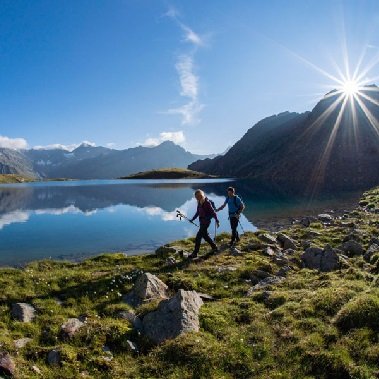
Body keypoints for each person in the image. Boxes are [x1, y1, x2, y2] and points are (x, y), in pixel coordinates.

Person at [189, 189, 220, 259]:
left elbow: (213, 212)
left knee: (198, 237)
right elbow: (198, 212)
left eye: (197, 197)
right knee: (205, 236)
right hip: (202, 221)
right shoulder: (199, 202)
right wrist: (192, 219)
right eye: (195, 197)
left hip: (206, 222)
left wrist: (217, 220)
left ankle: (195, 253)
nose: (196, 198)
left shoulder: (207, 203)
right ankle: (214, 247)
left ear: (200, 195)